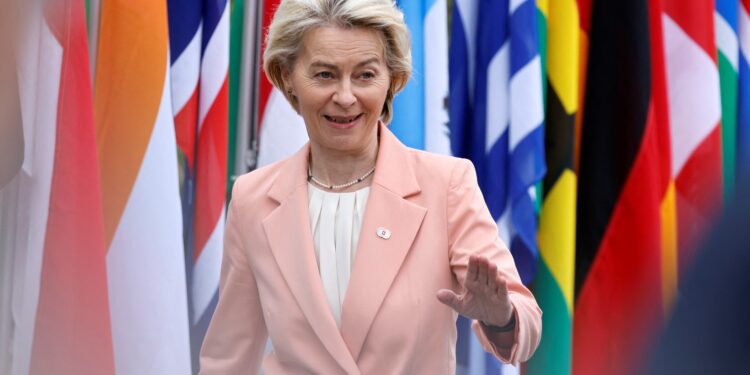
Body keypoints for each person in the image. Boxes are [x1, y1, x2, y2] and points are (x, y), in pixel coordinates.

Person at [199, 0, 541, 373]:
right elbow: (227, 358)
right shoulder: (253, 199)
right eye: (325, 75)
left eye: (364, 75)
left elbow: (525, 320)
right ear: (286, 78)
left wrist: (501, 317)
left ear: (392, 79)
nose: (345, 97)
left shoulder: (446, 186)